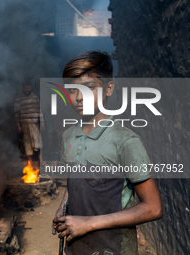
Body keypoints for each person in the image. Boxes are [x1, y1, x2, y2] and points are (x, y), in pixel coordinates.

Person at [52, 51, 163, 255]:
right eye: (72, 90)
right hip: (76, 247)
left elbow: (153, 208)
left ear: (108, 89)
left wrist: (88, 223)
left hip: (113, 248)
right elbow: (75, 180)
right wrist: (64, 205)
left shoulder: (125, 141)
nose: (79, 97)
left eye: (89, 88)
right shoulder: (68, 136)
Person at [14, 84, 44, 160]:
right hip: (25, 124)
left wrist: (42, 122)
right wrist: (18, 126)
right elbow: (17, 113)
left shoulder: (35, 98)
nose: (27, 89)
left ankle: (41, 162)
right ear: (22, 88)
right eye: (25, 87)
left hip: (34, 123)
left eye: (28, 87)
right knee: (28, 144)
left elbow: (39, 110)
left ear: (31, 87)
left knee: (38, 143)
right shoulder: (18, 99)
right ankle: (30, 164)